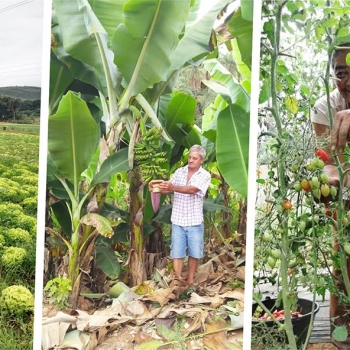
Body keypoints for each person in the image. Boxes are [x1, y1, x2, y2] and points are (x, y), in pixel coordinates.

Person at [311, 43, 350, 349]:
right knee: (343, 256)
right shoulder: (325, 107)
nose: (347, 80)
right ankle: (341, 329)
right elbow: (326, 159)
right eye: (341, 73)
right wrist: (328, 185)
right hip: (345, 191)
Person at [149, 144, 211, 285]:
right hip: (178, 219)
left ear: (201, 160)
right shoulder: (180, 172)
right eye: (189, 157)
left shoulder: (205, 175)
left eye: (194, 158)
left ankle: (190, 280)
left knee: (194, 253)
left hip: (194, 220)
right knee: (177, 253)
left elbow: (193, 189)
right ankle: (177, 280)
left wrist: (173, 187)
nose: (190, 160)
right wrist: (156, 188)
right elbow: (168, 188)